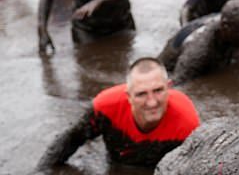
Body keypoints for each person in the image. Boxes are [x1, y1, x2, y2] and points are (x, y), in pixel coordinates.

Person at [38, 57, 199, 169]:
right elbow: (71, 139)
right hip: (116, 163)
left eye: (158, 91)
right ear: (128, 95)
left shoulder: (187, 123)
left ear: (168, 87)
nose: (152, 102)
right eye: (141, 94)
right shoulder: (106, 107)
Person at [159, 0, 239, 84]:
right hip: (171, 66)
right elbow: (177, 82)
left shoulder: (233, 22)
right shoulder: (198, 49)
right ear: (225, 26)